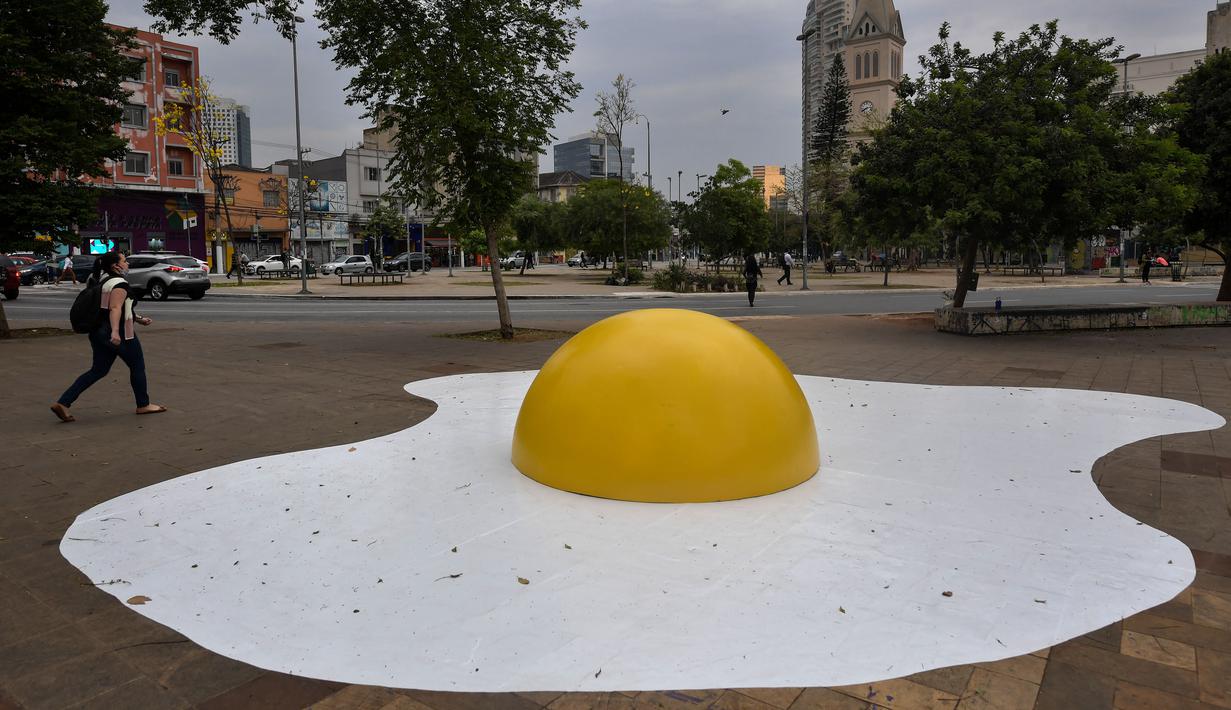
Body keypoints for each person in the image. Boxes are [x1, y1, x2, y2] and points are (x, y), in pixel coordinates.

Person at [50, 252, 166, 422]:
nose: (127, 264)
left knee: (98, 370)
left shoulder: (105, 281)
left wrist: (139, 319)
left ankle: (63, 403)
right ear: (116, 266)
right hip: (120, 333)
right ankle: (143, 404)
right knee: (137, 366)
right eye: (124, 261)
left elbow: (111, 308)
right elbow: (114, 308)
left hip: (97, 332)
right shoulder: (120, 284)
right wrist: (115, 332)